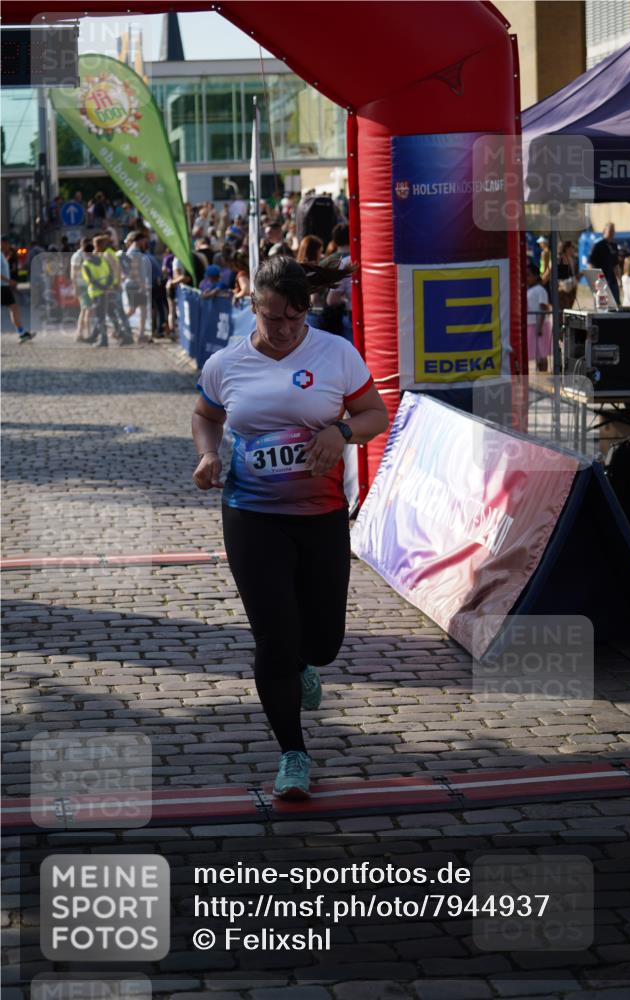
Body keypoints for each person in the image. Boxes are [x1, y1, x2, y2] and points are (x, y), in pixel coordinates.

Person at [191, 256, 388, 799]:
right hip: (251, 516)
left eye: (295, 319)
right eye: (272, 317)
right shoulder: (227, 363)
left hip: (321, 516)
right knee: (274, 640)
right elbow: (206, 416)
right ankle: (292, 754)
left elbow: (375, 414)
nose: (283, 330)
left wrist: (341, 431)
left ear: (307, 310)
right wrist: (208, 455)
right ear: (253, 305)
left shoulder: (336, 354)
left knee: (322, 642)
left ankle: (305, 661)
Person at [1, 235, 32, 342]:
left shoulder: (3, 255)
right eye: (5, 243)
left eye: (8, 243)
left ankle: (21, 332)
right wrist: (9, 281)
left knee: (13, 308)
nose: (7, 245)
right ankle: (21, 333)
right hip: (2, 287)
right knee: (13, 308)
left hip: (4, 287)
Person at [526, 262, 551, 371]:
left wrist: (540, 327)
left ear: (536, 276)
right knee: (537, 353)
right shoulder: (529, 289)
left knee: (542, 353)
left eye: (528, 275)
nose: (526, 278)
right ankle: (539, 371)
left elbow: (543, 309)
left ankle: (543, 373)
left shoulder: (540, 290)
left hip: (539, 325)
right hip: (531, 324)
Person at [589, 222, 621, 307]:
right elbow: (591, 263)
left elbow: (616, 265)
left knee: (615, 304)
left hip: (612, 280)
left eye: (613, 231)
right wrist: (594, 279)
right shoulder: (598, 244)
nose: (611, 233)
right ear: (604, 231)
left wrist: (619, 279)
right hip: (601, 281)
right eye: (610, 230)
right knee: (602, 305)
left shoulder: (614, 245)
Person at [70, 236, 93, 342]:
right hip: (82, 286)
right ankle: (87, 334)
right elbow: (73, 273)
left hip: (87, 286)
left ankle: (80, 334)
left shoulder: (86, 254)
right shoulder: (77, 256)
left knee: (84, 310)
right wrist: (75, 287)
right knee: (87, 310)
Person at [556, 240, 578, 311]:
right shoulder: (561, 260)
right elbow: (563, 284)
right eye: (572, 247)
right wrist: (578, 276)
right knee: (562, 313)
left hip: (571, 292)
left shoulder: (571, 260)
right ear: (567, 249)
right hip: (562, 293)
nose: (574, 249)